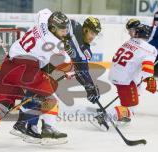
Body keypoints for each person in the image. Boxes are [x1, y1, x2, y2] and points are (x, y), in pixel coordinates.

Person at [0, 9, 72, 149]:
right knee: (50, 99)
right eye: (62, 29)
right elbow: (67, 64)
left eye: (66, 29)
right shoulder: (54, 44)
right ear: (53, 28)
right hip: (27, 70)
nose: (65, 32)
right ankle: (49, 130)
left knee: (2, 105)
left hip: (8, 66)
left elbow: (44, 11)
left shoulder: (43, 20)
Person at [10, 16, 102, 144]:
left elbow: (81, 68)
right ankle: (34, 127)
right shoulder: (72, 27)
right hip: (42, 60)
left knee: (37, 93)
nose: (93, 36)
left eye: (95, 34)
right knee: (42, 95)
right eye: (92, 32)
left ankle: (25, 126)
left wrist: (89, 86)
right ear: (85, 29)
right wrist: (89, 86)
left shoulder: (85, 49)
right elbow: (80, 65)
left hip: (49, 64)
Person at [95, 24, 158, 130]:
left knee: (134, 92)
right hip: (125, 79)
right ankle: (106, 116)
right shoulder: (150, 49)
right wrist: (150, 80)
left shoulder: (129, 42)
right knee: (132, 108)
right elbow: (147, 69)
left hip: (114, 74)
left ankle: (121, 115)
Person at [127, 18, 158, 108]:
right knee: (134, 80)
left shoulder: (154, 30)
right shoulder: (135, 41)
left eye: (130, 30)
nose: (129, 33)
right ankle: (130, 105)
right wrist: (149, 78)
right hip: (150, 63)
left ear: (138, 28)